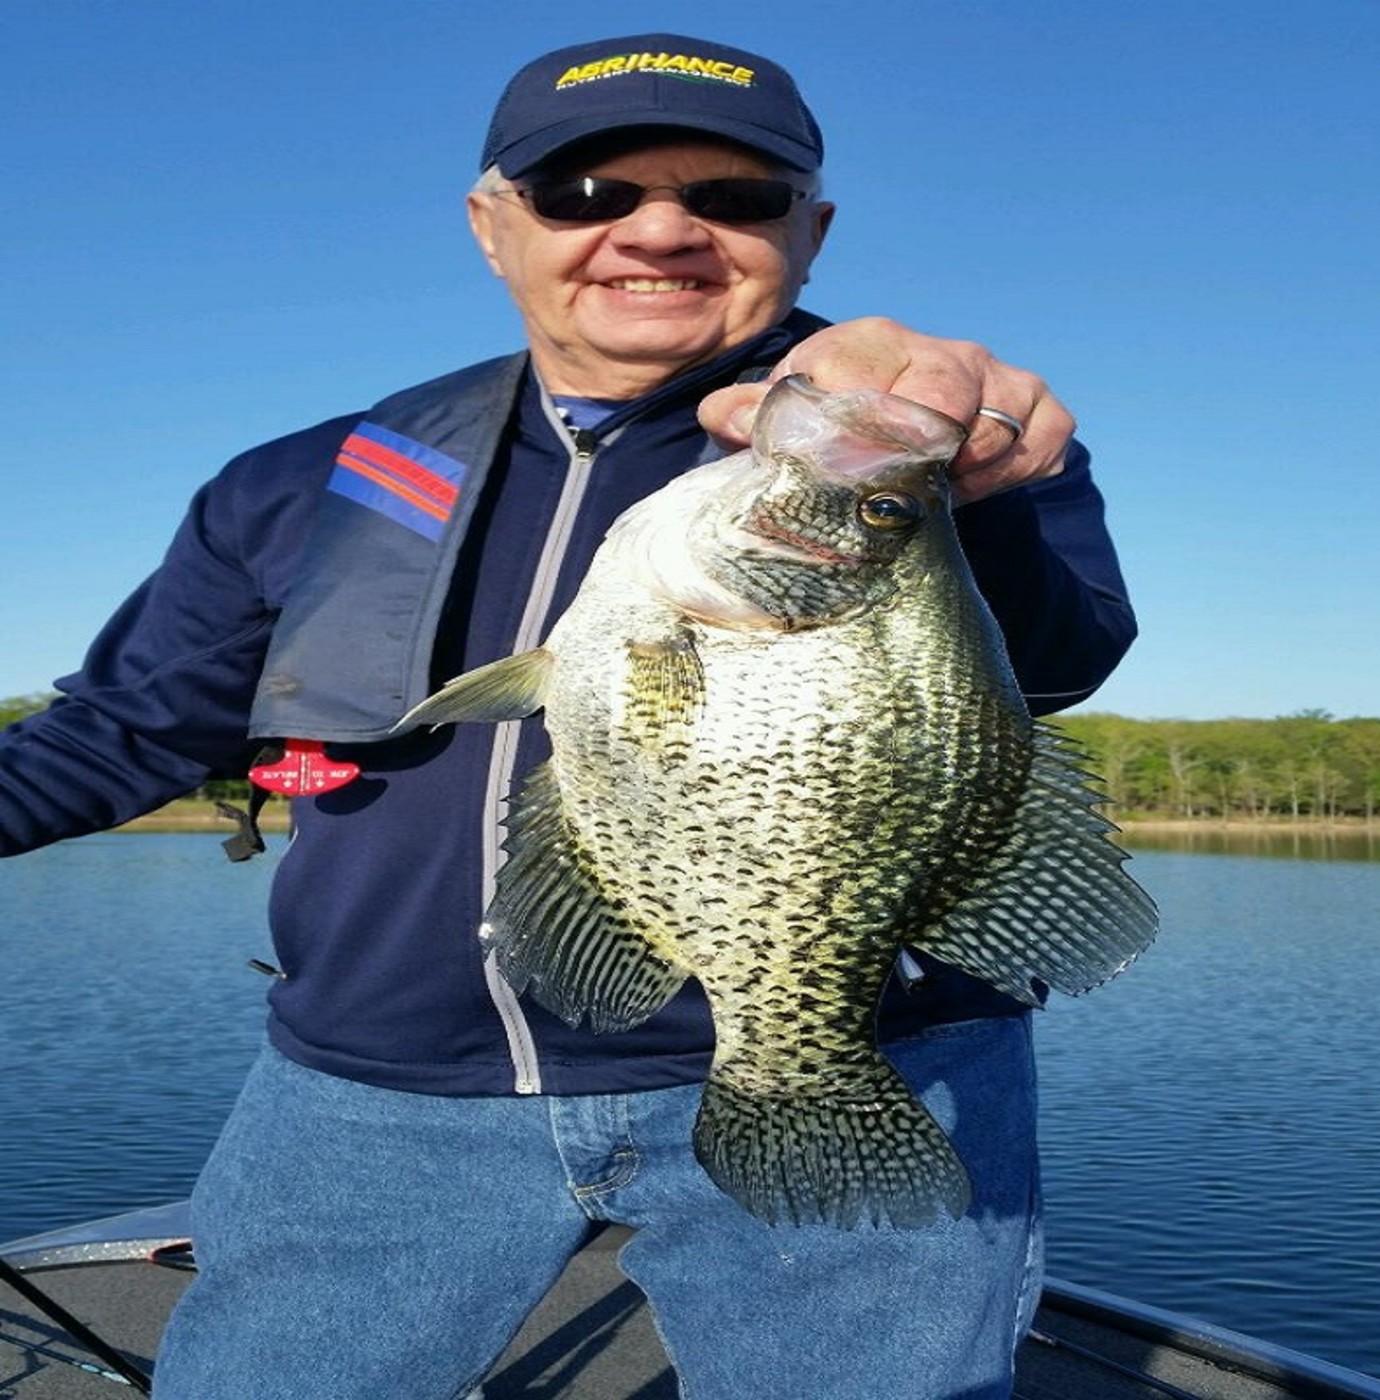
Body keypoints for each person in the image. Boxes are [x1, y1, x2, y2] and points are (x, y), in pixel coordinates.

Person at [0, 33, 1138, 1400]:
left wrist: (959, 471)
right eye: (585, 193)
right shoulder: (303, 481)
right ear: (494, 227)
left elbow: (1067, 656)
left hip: (882, 1042)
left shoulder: (910, 447)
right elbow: (126, 727)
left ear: (811, 230)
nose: (660, 228)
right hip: (382, 1089)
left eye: (734, 196)